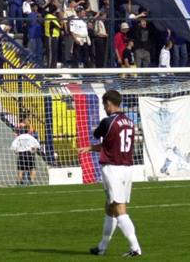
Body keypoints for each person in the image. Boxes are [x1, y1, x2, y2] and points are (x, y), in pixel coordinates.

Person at [79, 90, 142, 257]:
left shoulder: (108, 121)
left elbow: (97, 134)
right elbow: (111, 145)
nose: (104, 108)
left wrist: (95, 132)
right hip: (127, 168)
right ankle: (102, 247)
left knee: (119, 208)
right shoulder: (129, 122)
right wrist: (91, 148)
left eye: (104, 105)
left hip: (113, 169)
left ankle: (135, 247)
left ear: (108, 103)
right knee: (109, 207)